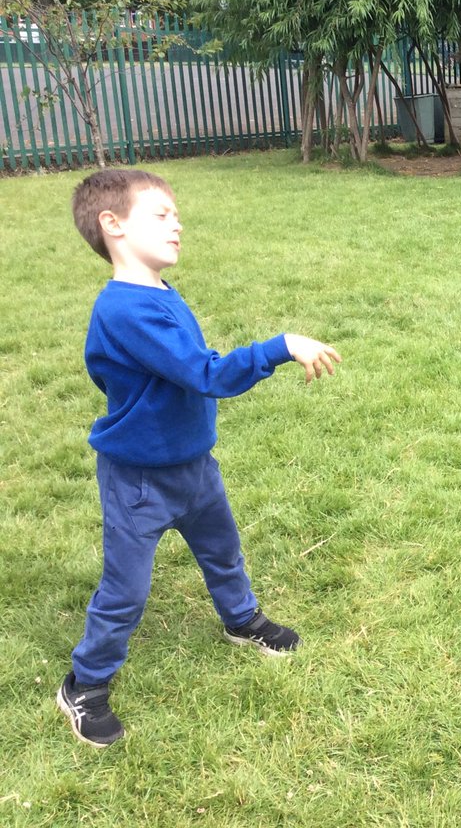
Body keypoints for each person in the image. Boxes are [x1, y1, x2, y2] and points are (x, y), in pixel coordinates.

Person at [58, 168, 342, 748]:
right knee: (126, 590)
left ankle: (242, 620)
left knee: (222, 549)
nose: (177, 223)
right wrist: (280, 346)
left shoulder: (156, 293)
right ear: (112, 225)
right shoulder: (125, 311)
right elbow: (204, 372)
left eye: (177, 214)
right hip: (139, 480)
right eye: (160, 215)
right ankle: (84, 684)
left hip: (194, 466)